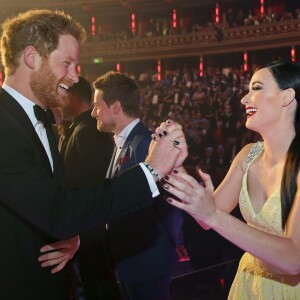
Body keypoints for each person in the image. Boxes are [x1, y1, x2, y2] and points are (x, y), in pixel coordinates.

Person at [0, 9, 187, 300]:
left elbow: (47, 203)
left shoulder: (41, 122)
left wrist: (69, 235)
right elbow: (57, 211)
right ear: (31, 58)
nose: (76, 77)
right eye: (68, 63)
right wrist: (150, 171)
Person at [162, 60, 300, 299]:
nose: (244, 99)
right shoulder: (247, 156)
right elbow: (207, 217)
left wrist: (212, 215)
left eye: (256, 88)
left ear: (286, 96)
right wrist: (174, 164)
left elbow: (293, 259)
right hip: (247, 285)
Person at [92, 71, 182, 300]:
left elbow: (165, 204)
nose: (93, 113)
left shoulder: (144, 146)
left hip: (147, 264)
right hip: (131, 263)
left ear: (115, 106)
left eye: (97, 106)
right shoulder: (123, 143)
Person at [59, 76, 119, 299]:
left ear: (72, 98)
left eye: (62, 96)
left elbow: (101, 181)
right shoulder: (79, 129)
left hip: (92, 232)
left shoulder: (88, 132)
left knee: (100, 287)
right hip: (86, 230)